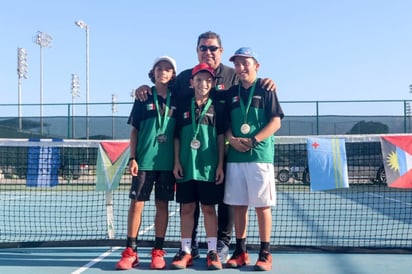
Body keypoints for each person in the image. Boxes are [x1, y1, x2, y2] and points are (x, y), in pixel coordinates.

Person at [135, 31, 277, 263]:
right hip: (189, 156)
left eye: (213, 48)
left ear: (220, 51)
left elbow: (251, 87)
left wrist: (265, 82)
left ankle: (221, 245)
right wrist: (144, 86)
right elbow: (162, 89)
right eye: (203, 48)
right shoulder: (182, 78)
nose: (208, 52)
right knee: (190, 204)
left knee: (225, 203)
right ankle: (189, 248)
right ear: (197, 51)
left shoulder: (233, 75)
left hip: (225, 154)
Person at [223, 47, 284, 272]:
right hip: (235, 158)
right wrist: (231, 139)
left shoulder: (267, 89)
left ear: (256, 65)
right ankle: (240, 251)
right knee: (239, 206)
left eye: (245, 63)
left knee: (261, 206)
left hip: (259, 156)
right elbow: (226, 125)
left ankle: (265, 253)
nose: (240, 68)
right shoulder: (231, 93)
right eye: (237, 64)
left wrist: (253, 140)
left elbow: (276, 122)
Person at [115, 56, 178, 270]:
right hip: (143, 163)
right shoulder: (142, 97)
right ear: (153, 73)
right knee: (137, 205)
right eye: (159, 68)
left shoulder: (177, 98)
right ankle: (131, 251)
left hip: (167, 164)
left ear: (172, 75)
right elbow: (135, 131)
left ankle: (158, 250)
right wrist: (133, 158)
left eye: (167, 69)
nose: (163, 71)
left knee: (162, 205)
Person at [171, 63, 226, 270]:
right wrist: (176, 161)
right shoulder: (183, 107)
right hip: (186, 166)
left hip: (209, 168)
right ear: (191, 82)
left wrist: (220, 165)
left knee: (209, 209)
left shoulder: (218, 107)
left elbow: (221, 138)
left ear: (213, 83)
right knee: (187, 209)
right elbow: (176, 137)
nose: (204, 83)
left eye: (208, 80)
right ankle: (186, 251)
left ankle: (212, 252)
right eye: (199, 79)